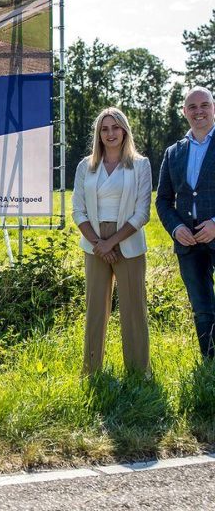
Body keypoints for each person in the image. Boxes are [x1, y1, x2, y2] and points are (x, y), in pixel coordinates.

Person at [71, 107, 152, 375]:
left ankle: (139, 373)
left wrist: (112, 242)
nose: (110, 133)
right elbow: (77, 210)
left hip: (127, 241)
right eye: (104, 129)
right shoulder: (86, 165)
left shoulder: (140, 165)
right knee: (95, 309)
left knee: (133, 309)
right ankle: (91, 370)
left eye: (115, 127)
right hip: (94, 242)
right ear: (98, 134)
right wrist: (99, 243)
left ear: (125, 130)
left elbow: (142, 213)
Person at [156, 86, 215, 360]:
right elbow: (163, 200)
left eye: (204, 105)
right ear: (184, 112)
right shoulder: (173, 152)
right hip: (188, 244)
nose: (199, 111)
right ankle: (210, 362)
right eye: (192, 106)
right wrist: (176, 228)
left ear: (213, 108)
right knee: (202, 307)